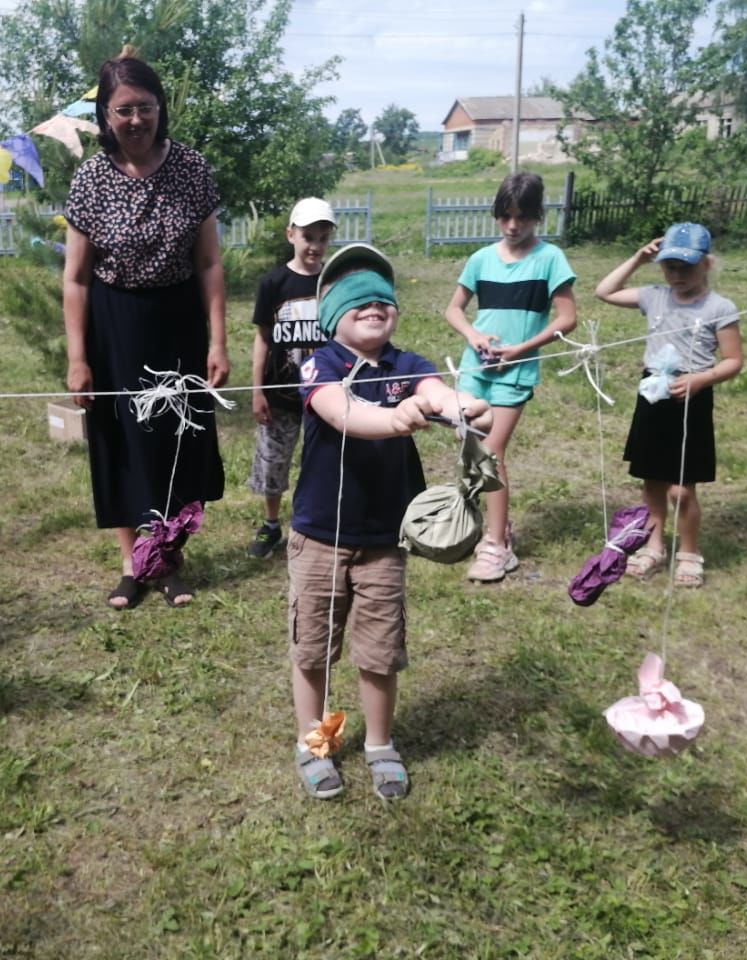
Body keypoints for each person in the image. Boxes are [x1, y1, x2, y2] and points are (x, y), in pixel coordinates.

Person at [289, 244, 491, 801]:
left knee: (380, 650)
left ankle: (379, 744)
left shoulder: (411, 366)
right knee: (312, 648)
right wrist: (394, 417)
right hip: (319, 535)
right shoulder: (320, 363)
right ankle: (313, 743)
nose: (373, 304)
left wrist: (465, 410)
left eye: (383, 296)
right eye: (357, 297)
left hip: (385, 539)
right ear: (332, 316)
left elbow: (439, 393)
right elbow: (342, 412)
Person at [63, 46, 228, 610]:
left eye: (146, 107)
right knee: (123, 442)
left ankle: (171, 560)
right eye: (123, 109)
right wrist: (78, 357)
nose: (136, 120)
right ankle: (132, 565)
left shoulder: (190, 169)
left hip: (179, 318)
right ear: (105, 116)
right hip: (115, 322)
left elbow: (209, 263)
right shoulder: (89, 178)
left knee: (177, 440)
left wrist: (219, 340)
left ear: (160, 108)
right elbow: (77, 279)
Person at [444, 171, 577, 583]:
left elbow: (568, 318)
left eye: (522, 217)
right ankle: (498, 528)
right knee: (471, 447)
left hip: (514, 373)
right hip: (474, 367)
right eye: (505, 216)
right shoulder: (481, 259)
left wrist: (520, 349)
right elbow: (454, 309)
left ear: (538, 215)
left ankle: (497, 547)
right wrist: (474, 335)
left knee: (490, 453)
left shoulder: (550, 259)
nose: (513, 226)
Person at [594, 223, 744, 588]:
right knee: (652, 481)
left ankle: (689, 552)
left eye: (686, 267)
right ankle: (653, 545)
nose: (677, 275)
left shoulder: (719, 307)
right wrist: (636, 259)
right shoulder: (654, 295)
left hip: (690, 396)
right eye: (669, 266)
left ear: (706, 264)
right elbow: (604, 291)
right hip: (654, 394)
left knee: (681, 487)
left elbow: (733, 360)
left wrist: (701, 379)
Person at [245, 197, 336, 559]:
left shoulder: (333, 281)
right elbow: (263, 338)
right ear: (291, 235)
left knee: (321, 461)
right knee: (273, 462)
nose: (314, 245)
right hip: (280, 396)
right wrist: (257, 391)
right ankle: (270, 525)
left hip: (324, 396)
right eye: (307, 236)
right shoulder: (274, 283)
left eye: (322, 238)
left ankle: (316, 521)